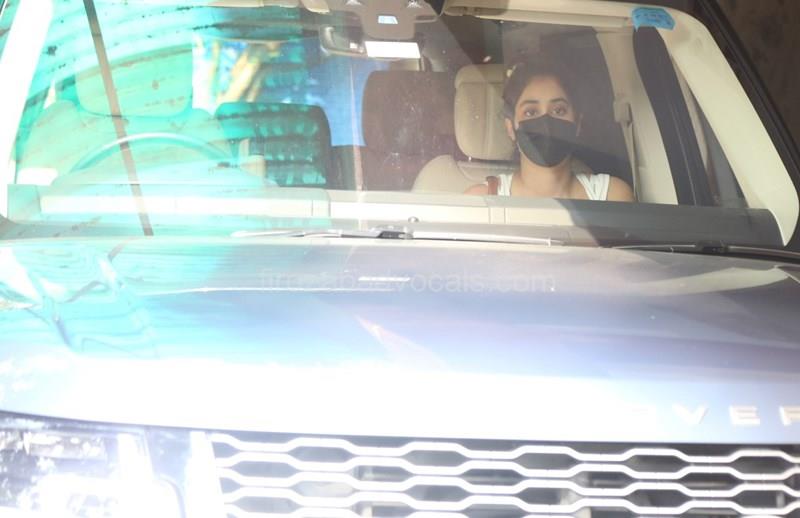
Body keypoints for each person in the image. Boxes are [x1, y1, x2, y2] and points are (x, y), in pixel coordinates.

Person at [465, 58, 634, 201]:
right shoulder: (480, 200)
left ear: (578, 124)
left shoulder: (611, 197)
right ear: (510, 127)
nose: (546, 122)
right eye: (531, 112)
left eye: (559, 110)